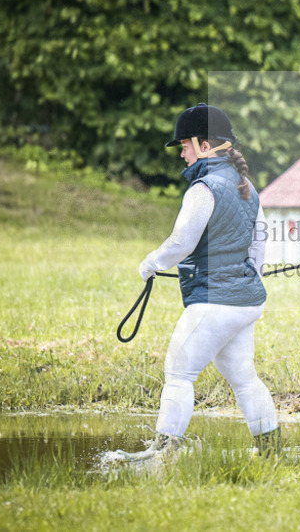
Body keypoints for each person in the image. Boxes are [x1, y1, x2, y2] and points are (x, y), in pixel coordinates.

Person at [120, 103, 280, 460]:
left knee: (179, 372)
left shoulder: (203, 189)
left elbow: (182, 242)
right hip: (246, 300)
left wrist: (151, 264)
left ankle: (162, 454)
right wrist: (246, 277)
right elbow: (259, 246)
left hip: (214, 301)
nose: (182, 153)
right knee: (244, 377)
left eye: (185, 146)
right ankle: (271, 452)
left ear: (204, 146)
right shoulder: (248, 187)